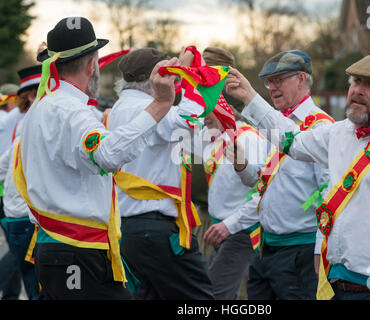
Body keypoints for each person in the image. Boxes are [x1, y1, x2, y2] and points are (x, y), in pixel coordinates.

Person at [225, 52, 370, 300]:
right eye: (355, 82)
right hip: (337, 287)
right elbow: (292, 141)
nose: (358, 90)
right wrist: (249, 97)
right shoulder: (340, 133)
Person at [15, 17, 179, 300]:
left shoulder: (38, 111)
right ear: (93, 65)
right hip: (77, 249)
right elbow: (108, 154)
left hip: (55, 245)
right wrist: (160, 105)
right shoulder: (72, 112)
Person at [208, 50, 334, 300]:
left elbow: (328, 196)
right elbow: (263, 184)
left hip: (301, 251)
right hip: (266, 247)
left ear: (301, 79)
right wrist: (243, 166)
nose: (272, 87)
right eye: (268, 82)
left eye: (279, 80)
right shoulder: (275, 124)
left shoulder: (322, 127)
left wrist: (320, 252)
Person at [108, 48, 214, 300]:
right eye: (172, 76)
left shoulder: (120, 107)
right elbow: (189, 120)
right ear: (158, 78)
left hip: (130, 226)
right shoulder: (147, 106)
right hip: (154, 227)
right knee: (199, 299)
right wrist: (190, 78)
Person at [200, 48, 267, 300]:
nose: (202, 114)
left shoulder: (248, 137)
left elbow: (260, 190)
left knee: (215, 297)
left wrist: (229, 225)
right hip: (218, 228)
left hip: (239, 232)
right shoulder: (212, 138)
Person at [0, 65, 42, 300]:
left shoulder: (24, 121)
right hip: (24, 211)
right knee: (38, 286)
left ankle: (10, 293)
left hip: (15, 207)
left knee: (32, 281)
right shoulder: (28, 122)